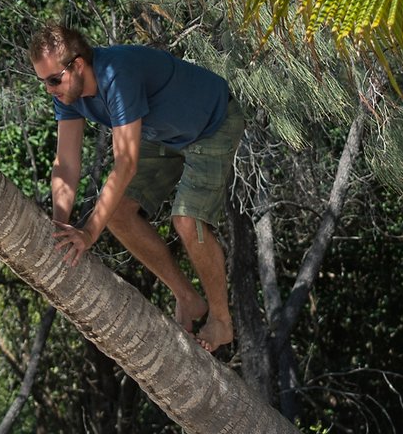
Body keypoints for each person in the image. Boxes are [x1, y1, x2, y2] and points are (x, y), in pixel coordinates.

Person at [29, 23, 245, 353]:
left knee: (187, 220)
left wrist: (88, 233)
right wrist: (60, 226)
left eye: (53, 79)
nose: (48, 90)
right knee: (116, 213)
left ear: (77, 65)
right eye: (43, 81)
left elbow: (126, 163)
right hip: (163, 136)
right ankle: (187, 298)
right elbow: (67, 165)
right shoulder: (68, 96)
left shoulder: (118, 74)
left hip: (212, 124)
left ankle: (221, 322)